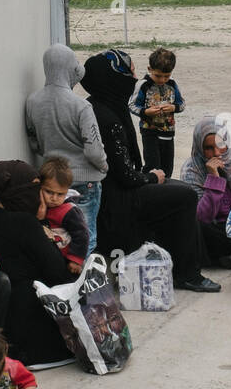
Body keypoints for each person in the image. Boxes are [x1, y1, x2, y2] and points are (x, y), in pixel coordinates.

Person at [82, 48, 220, 293]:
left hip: (117, 192)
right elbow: (124, 175)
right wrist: (150, 177)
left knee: (177, 188)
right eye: (129, 72)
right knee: (185, 195)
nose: (134, 78)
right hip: (116, 201)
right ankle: (188, 274)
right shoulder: (107, 117)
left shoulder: (100, 105)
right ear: (114, 78)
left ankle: (200, 259)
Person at [0, 160, 78, 367]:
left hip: (0, 332)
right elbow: (60, 273)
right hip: (34, 340)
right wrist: (41, 223)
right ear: (14, 191)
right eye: (32, 189)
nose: (36, 196)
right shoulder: (25, 223)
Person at [25, 44, 109, 255]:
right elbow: (94, 150)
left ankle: (62, 281)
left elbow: (34, 143)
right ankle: (81, 285)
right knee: (85, 239)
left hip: (52, 183)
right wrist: (103, 166)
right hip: (85, 180)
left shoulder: (33, 102)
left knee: (59, 239)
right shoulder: (81, 106)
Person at [179, 115, 231, 269]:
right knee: (200, 229)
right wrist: (214, 179)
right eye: (209, 148)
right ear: (200, 147)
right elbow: (202, 216)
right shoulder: (192, 171)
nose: (217, 153)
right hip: (212, 228)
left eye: (221, 144)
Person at [131, 47, 186, 177]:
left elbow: (182, 103)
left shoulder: (172, 85)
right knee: (152, 167)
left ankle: (166, 194)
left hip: (168, 132)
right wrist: (146, 112)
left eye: (166, 76)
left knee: (167, 169)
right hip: (149, 132)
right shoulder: (143, 85)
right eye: (158, 76)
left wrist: (174, 108)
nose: (162, 80)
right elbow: (132, 105)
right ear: (149, 69)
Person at [36, 156, 89, 274]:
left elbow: (82, 235)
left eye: (60, 194)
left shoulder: (69, 211)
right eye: (49, 192)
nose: (54, 198)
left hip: (66, 263)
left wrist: (76, 260)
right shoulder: (38, 206)